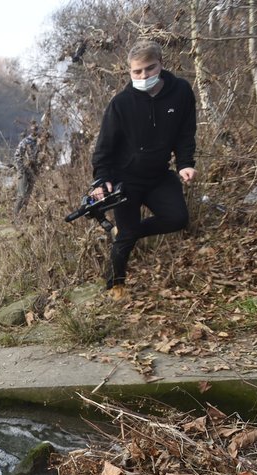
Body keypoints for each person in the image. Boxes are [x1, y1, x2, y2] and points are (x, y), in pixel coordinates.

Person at [90, 39, 197, 301]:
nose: (143, 76)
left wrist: (185, 163)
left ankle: (127, 231)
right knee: (125, 241)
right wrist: (101, 180)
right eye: (136, 71)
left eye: (149, 69)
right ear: (130, 71)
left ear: (161, 65)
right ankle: (115, 287)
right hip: (125, 180)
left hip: (159, 174)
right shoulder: (121, 103)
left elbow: (186, 132)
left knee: (177, 219)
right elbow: (104, 148)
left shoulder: (181, 91)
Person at [13, 122, 40, 215]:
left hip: (32, 171)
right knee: (21, 194)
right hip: (23, 170)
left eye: (36, 129)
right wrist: (21, 168)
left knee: (28, 194)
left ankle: (23, 214)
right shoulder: (25, 141)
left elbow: (39, 158)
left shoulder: (39, 142)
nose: (35, 131)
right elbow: (17, 155)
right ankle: (16, 217)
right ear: (30, 130)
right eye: (33, 130)